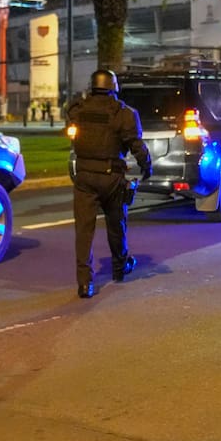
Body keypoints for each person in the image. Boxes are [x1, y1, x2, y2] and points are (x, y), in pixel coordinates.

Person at [66, 69, 151, 299]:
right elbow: (136, 144)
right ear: (114, 87)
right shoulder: (123, 113)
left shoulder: (79, 109)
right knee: (116, 224)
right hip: (111, 177)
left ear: (92, 86)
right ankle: (119, 266)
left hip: (84, 176)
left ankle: (85, 283)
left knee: (84, 231)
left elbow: (70, 109)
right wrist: (147, 166)